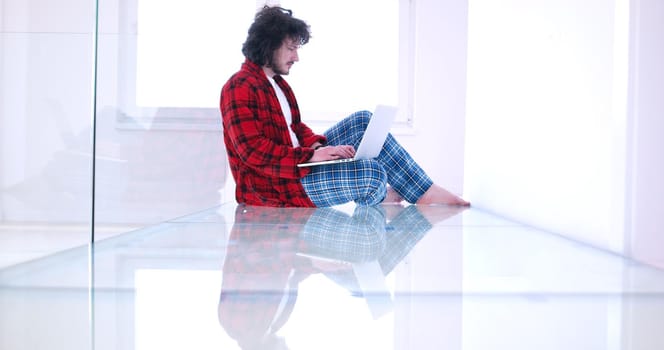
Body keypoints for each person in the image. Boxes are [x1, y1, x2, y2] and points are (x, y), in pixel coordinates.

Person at [220, 6, 469, 208]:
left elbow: (295, 128)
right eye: (291, 48)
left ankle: (423, 190)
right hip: (278, 186)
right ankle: (381, 197)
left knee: (364, 121)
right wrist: (311, 156)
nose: (296, 57)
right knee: (372, 173)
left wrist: (318, 146)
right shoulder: (238, 87)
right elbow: (251, 151)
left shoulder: (278, 85)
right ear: (269, 45)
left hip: (301, 163)